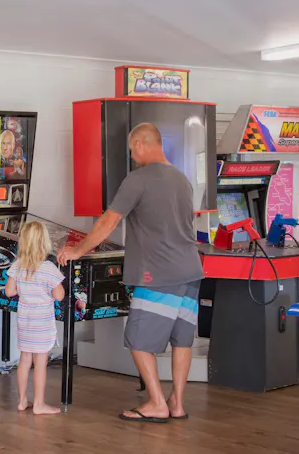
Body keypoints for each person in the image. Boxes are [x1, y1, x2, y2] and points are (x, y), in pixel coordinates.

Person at [57, 123, 202, 422]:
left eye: (131, 149)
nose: (132, 156)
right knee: (182, 341)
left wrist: (77, 250)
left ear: (139, 144)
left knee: (137, 339)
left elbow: (107, 222)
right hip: (190, 272)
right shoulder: (182, 179)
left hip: (158, 273)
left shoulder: (137, 179)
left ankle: (157, 403)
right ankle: (177, 404)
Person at [4, 220, 65, 416]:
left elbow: (9, 292)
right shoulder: (48, 268)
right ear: (44, 242)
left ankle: (22, 401)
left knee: (24, 360)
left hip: (25, 320)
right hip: (42, 323)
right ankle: (39, 404)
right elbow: (59, 295)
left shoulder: (18, 266)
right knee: (40, 362)